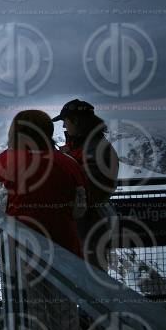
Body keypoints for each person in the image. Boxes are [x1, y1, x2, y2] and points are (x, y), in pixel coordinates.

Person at [0, 110, 87, 257]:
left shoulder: (2, 163)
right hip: (65, 249)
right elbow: (79, 209)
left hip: (16, 250)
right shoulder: (68, 164)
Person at [52, 99, 119, 271]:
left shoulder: (96, 148)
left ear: (75, 120)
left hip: (91, 223)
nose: (64, 127)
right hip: (82, 223)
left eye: (65, 122)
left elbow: (91, 188)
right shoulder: (81, 146)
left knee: (91, 276)